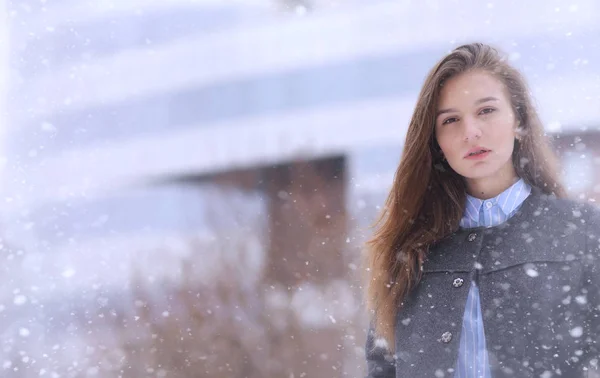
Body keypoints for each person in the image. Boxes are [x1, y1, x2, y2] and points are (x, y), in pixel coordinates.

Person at [362, 42, 600, 378]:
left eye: (486, 111)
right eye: (451, 120)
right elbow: (383, 366)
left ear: (519, 120)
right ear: (438, 144)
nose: (470, 132)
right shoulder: (411, 249)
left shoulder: (584, 234)